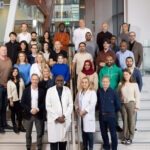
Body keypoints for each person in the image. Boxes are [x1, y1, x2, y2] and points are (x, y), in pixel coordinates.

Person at [46, 75, 73, 150]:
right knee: (54, 145)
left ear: (64, 81)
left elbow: (70, 105)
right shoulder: (50, 91)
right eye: (58, 80)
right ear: (55, 81)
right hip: (54, 121)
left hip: (64, 120)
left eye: (61, 80)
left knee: (63, 144)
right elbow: (48, 106)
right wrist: (57, 117)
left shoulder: (67, 90)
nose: (60, 82)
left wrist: (64, 116)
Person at [21, 74, 45, 150]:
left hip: (38, 115)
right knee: (28, 134)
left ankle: (39, 147)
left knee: (39, 133)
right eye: (33, 79)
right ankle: (28, 147)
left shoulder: (41, 91)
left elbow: (44, 103)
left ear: (38, 80)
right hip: (29, 115)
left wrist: (37, 109)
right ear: (31, 80)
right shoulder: (26, 90)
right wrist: (30, 109)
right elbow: (22, 103)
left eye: (36, 79)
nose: (34, 81)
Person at [99, 55, 123, 132]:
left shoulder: (118, 70)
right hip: (105, 92)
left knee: (115, 109)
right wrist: (105, 89)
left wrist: (118, 90)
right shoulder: (102, 70)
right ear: (105, 61)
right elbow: (100, 81)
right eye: (107, 60)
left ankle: (116, 124)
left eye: (110, 60)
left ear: (113, 60)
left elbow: (121, 81)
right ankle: (106, 126)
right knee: (106, 108)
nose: (109, 61)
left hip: (115, 92)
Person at [98, 76, 121, 150]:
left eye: (106, 82)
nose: (105, 83)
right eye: (103, 81)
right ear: (101, 82)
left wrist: (112, 112)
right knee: (103, 133)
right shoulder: (99, 91)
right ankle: (106, 146)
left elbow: (118, 106)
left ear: (109, 82)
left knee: (113, 133)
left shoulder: (114, 92)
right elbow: (98, 103)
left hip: (111, 116)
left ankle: (114, 147)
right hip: (102, 116)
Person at [118, 69, 140, 145]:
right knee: (125, 121)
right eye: (124, 75)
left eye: (127, 74)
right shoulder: (121, 84)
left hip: (131, 104)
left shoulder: (134, 84)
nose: (125, 76)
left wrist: (136, 107)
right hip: (123, 104)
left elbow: (137, 96)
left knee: (131, 121)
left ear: (130, 75)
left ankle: (130, 138)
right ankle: (125, 137)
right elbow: (119, 95)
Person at [75, 77, 97, 150]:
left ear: (88, 83)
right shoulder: (79, 92)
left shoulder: (92, 92)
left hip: (88, 116)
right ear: (81, 83)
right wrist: (78, 110)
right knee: (83, 133)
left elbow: (92, 104)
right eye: (82, 82)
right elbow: (76, 103)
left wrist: (84, 111)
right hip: (81, 116)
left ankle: (90, 148)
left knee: (90, 134)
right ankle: (85, 147)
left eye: (86, 82)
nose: (84, 84)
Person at [126, 57, 143, 131]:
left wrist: (137, 93)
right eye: (127, 61)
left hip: (134, 94)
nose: (129, 62)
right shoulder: (124, 70)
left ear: (133, 62)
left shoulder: (136, 71)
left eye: (130, 61)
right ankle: (127, 126)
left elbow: (140, 83)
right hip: (126, 94)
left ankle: (133, 126)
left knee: (134, 110)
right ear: (126, 62)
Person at [7, 67, 26, 133]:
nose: (15, 72)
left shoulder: (21, 80)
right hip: (13, 100)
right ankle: (14, 126)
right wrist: (11, 101)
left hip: (20, 100)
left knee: (20, 114)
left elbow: (24, 89)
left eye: (16, 71)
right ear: (12, 72)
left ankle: (20, 126)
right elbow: (9, 92)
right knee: (13, 113)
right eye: (14, 71)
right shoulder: (9, 82)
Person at [39, 66, 55, 135]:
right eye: (44, 71)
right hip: (42, 101)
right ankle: (41, 132)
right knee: (42, 118)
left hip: (51, 101)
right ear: (42, 72)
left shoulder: (52, 79)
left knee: (50, 117)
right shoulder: (39, 80)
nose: (46, 73)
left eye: (47, 71)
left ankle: (51, 132)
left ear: (49, 72)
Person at [0, 45, 12, 133]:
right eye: (2, 50)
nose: (4, 51)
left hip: (7, 87)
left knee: (4, 106)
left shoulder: (9, 60)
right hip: (0, 86)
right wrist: (3, 84)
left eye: (5, 50)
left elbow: (11, 73)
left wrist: (9, 83)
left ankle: (4, 124)